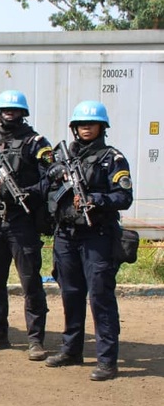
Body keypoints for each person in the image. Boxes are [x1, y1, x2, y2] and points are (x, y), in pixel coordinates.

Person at [44, 101, 132, 381]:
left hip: (97, 236)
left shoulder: (112, 159)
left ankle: (107, 360)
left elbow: (124, 197)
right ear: (74, 128)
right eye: (81, 124)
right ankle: (71, 350)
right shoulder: (64, 158)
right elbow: (48, 190)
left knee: (100, 297)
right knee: (70, 293)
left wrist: (96, 199)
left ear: (101, 127)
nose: (85, 128)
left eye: (91, 124)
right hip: (66, 235)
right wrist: (53, 175)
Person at [0, 90, 53, 360]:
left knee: (30, 282)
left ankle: (35, 340)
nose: (9, 113)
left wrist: (28, 192)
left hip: (22, 220)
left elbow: (50, 177)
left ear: (22, 113)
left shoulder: (35, 142)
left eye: (14, 110)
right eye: (5, 109)